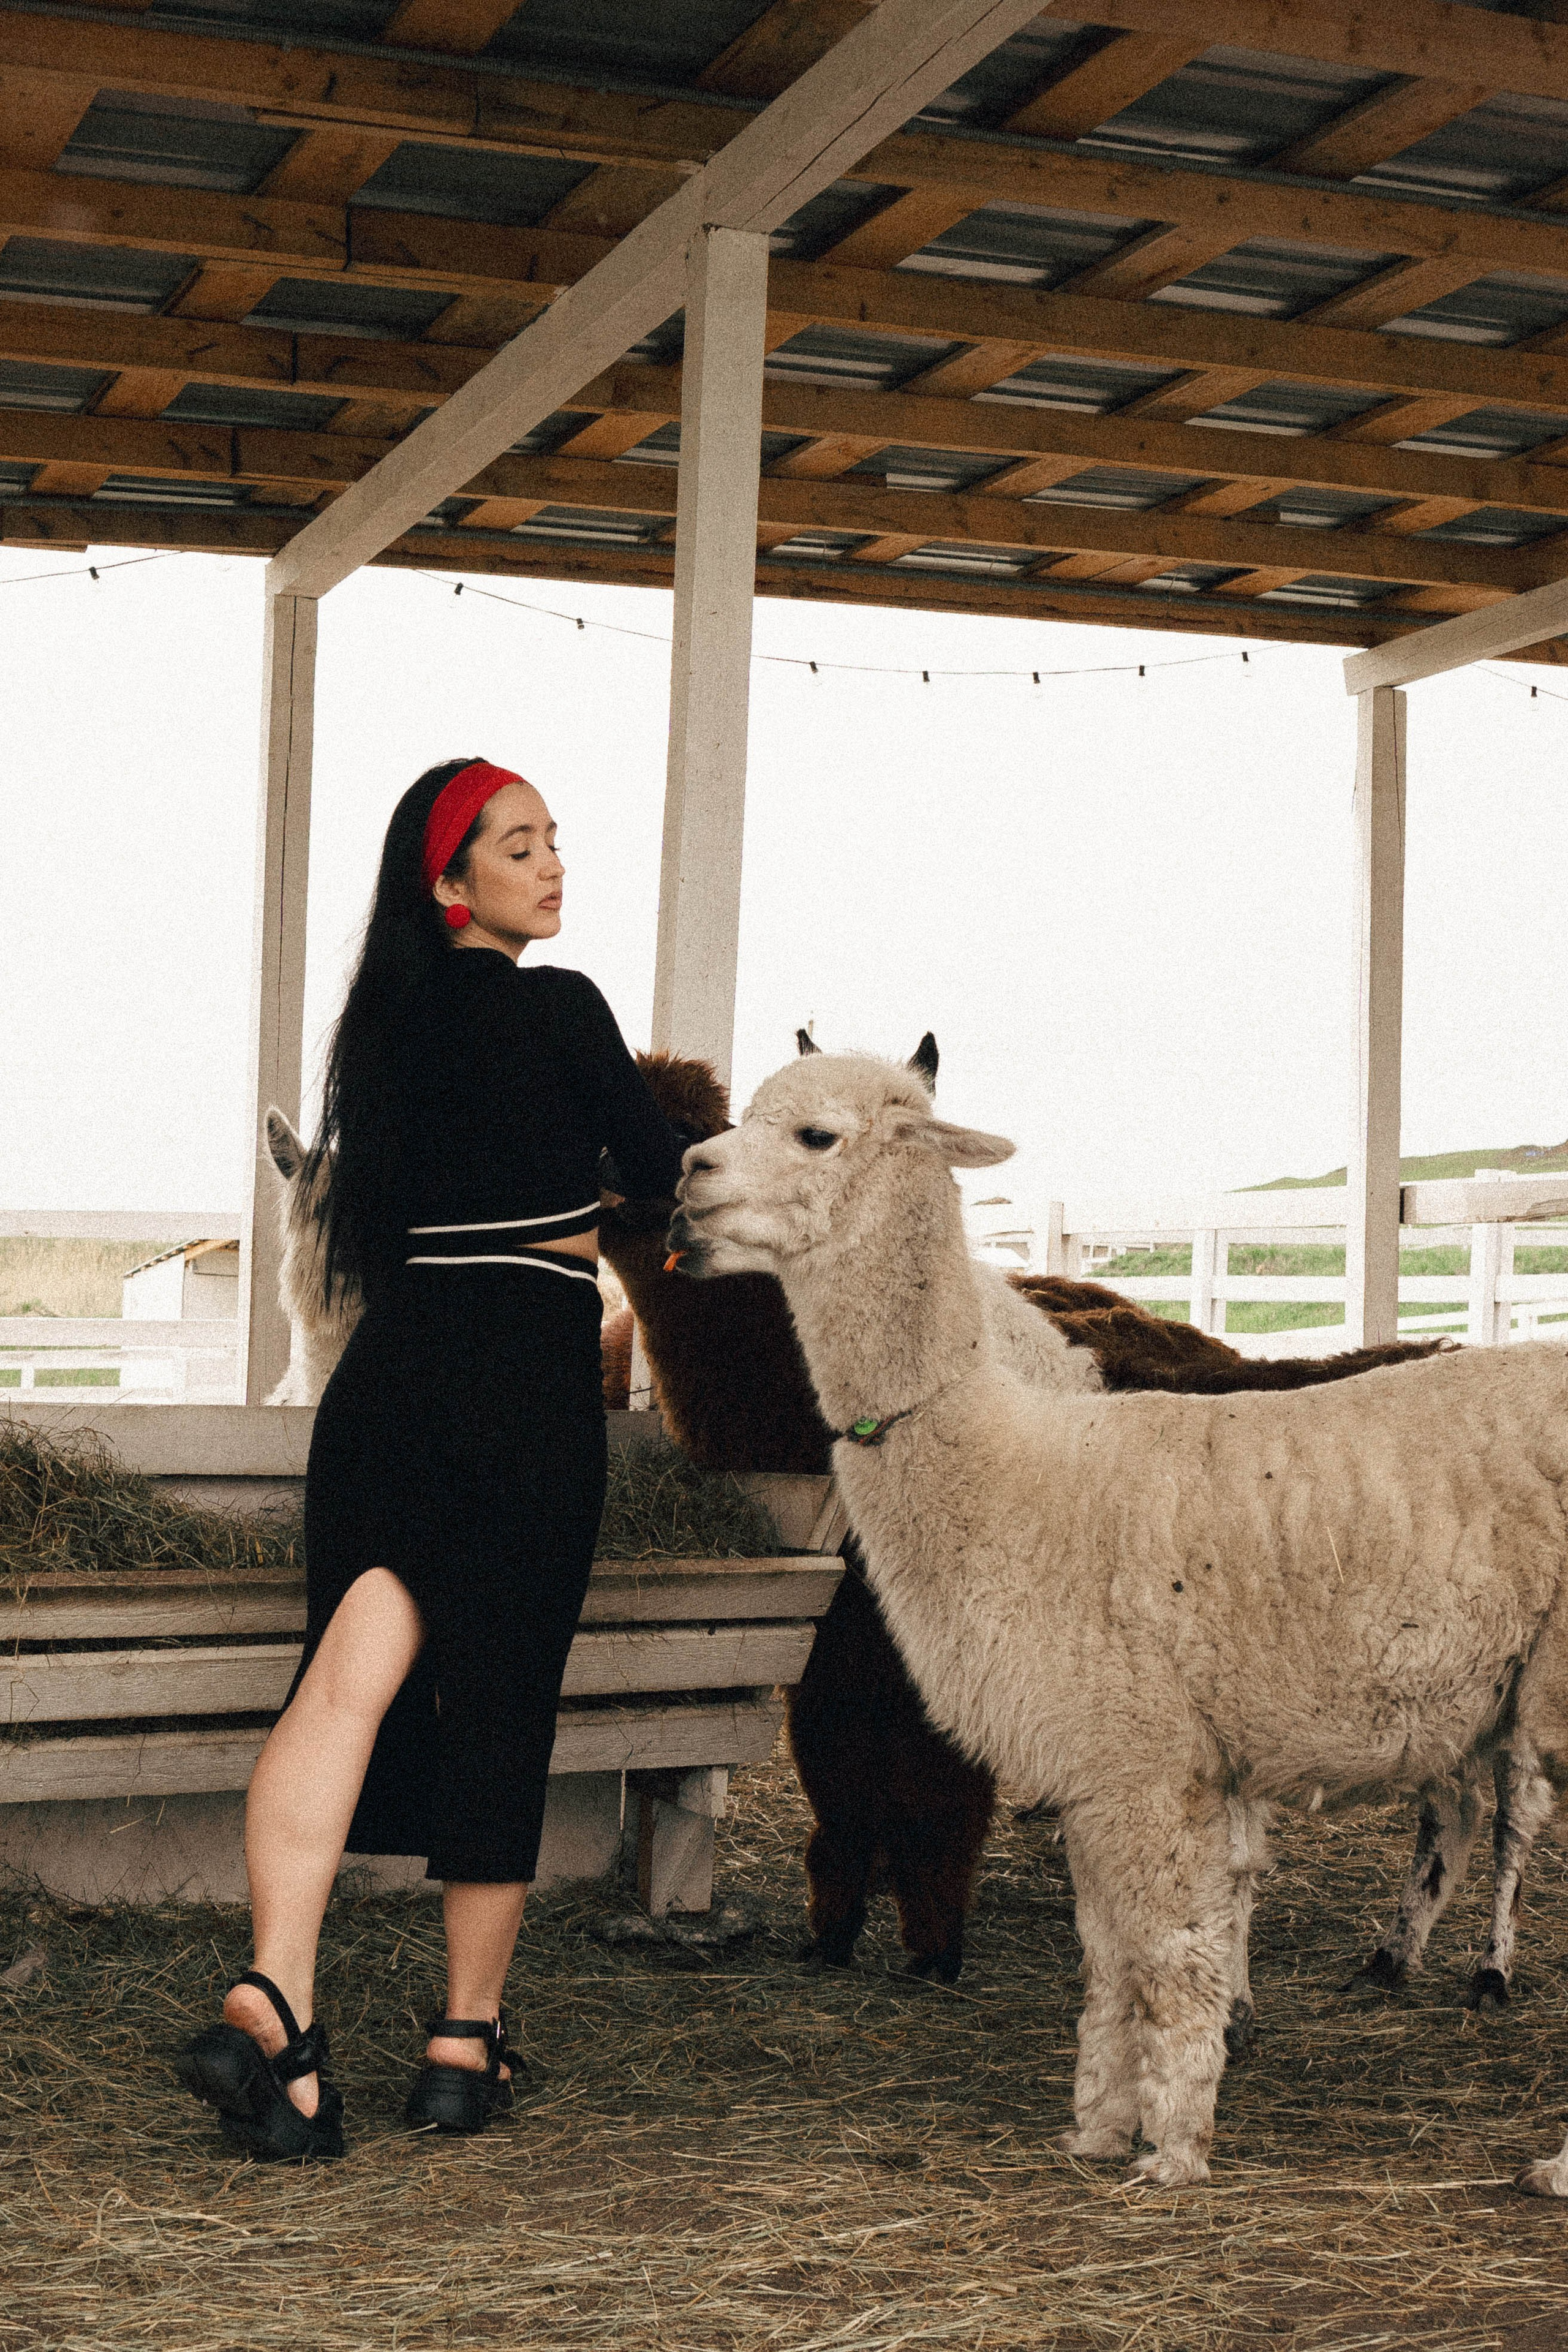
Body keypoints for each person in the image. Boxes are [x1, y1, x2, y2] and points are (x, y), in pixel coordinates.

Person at [177, 758, 687, 2158]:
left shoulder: (378, 1031)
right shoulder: (562, 1007)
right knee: (502, 1701)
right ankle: (463, 2046)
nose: (551, 863)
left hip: (389, 1383)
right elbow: (655, 1165)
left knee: (342, 1686)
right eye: (517, 847)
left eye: (553, 841)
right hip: (521, 1380)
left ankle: (276, 1998)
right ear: (449, 883)